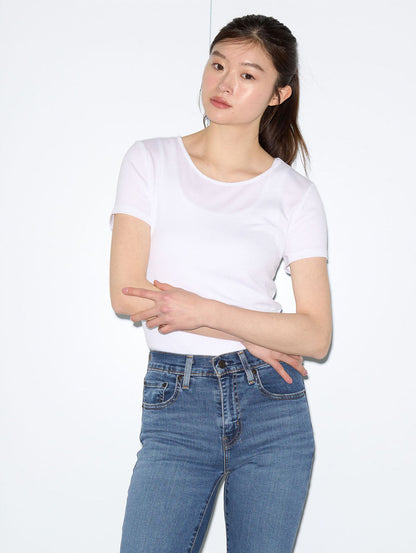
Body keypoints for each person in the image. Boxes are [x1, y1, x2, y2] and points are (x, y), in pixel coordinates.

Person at [109, 13, 332, 553]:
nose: (225, 83)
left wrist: (206, 312)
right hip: (177, 399)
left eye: (248, 74)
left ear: (279, 94)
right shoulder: (150, 160)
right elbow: (128, 294)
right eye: (218, 65)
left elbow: (316, 336)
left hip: (272, 405)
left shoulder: (295, 195)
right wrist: (253, 334)